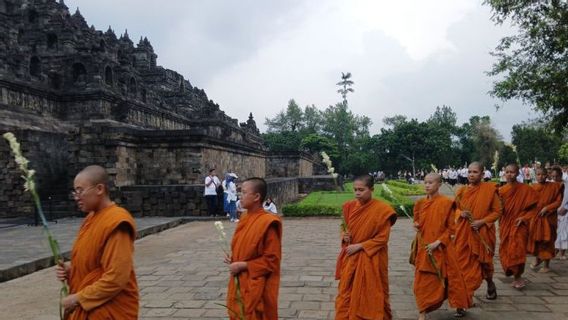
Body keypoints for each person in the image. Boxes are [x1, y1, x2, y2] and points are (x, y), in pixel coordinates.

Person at [55, 165, 138, 319]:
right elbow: (94, 264)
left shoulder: (116, 221)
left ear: (100, 189)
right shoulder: (90, 219)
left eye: (80, 190)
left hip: (108, 310)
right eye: (74, 192)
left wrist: (78, 298)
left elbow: (116, 277)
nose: (76, 197)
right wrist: (72, 272)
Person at [335, 175, 397, 320]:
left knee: (372, 293)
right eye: (355, 189)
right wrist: (344, 235)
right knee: (346, 293)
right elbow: (344, 227)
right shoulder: (349, 206)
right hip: (351, 258)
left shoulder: (382, 210)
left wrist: (361, 246)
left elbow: (382, 238)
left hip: (372, 257)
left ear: (372, 189)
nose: (357, 193)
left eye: (361, 190)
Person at [413, 173, 472, 319]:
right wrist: (416, 225)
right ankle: (422, 311)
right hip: (425, 247)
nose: (427, 185)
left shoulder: (446, 203)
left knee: (452, 278)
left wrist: (438, 242)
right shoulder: (420, 203)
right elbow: (417, 221)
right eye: (425, 182)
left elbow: (451, 229)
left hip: (442, 247)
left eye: (431, 182)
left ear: (439, 184)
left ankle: (459, 304)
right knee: (422, 281)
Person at [224, 178, 282, 320]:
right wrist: (234, 258)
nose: (240, 196)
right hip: (240, 282)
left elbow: (272, 261)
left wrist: (243, 265)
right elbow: (246, 249)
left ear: (257, 197)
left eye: (244, 192)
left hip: (256, 288)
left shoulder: (267, 223)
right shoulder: (244, 217)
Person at [454, 162, 501, 301]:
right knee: (462, 265)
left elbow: (497, 211)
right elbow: (453, 209)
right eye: (469, 172)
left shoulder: (489, 189)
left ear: (482, 174)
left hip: (483, 234)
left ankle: (490, 283)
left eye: (475, 172)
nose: (471, 175)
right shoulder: (462, 191)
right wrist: (460, 213)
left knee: (485, 263)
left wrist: (482, 222)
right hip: (464, 234)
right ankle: (464, 299)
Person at [498, 164, 538, 289]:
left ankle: (518, 276)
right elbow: (497, 210)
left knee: (518, 250)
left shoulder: (526, 189)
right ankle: (512, 270)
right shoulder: (501, 190)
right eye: (507, 172)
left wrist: (524, 217)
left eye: (512, 172)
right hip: (505, 224)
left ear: (517, 173)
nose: (509, 174)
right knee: (506, 250)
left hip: (519, 225)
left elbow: (534, 208)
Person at [528, 167, 563, 273]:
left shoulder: (554, 186)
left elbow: (558, 201)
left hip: (548, 218)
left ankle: (546, 265)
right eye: (538, 174)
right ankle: (537, 259)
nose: (540, 177)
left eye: (543, 174)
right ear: (535, 175)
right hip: (536, 218)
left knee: (547, 240)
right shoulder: (532, 187)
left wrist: (547, 208)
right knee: (536, 239)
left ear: (547, 175)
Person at [555, 166, 568, 259]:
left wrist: (566, 207)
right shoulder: (554, 184)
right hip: (558, 210)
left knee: (563, 232)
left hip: (565, 211)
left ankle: (561, 253)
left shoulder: (566, 182)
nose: (555, 179)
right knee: (559, 232)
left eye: (556, 176)